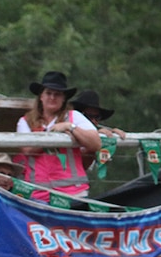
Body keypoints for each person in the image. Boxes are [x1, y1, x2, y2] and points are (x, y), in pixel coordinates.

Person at [14, 71, 101, 202]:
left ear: (63, 98)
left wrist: (70, 127)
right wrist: (54, 133)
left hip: (73, 193)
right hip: (37, 195)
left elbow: (96, 143)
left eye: (57, 94)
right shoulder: (25, 121)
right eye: (48, 93)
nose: (52, 97)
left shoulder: (73, 116)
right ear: (41, 97)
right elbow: (28, 149)